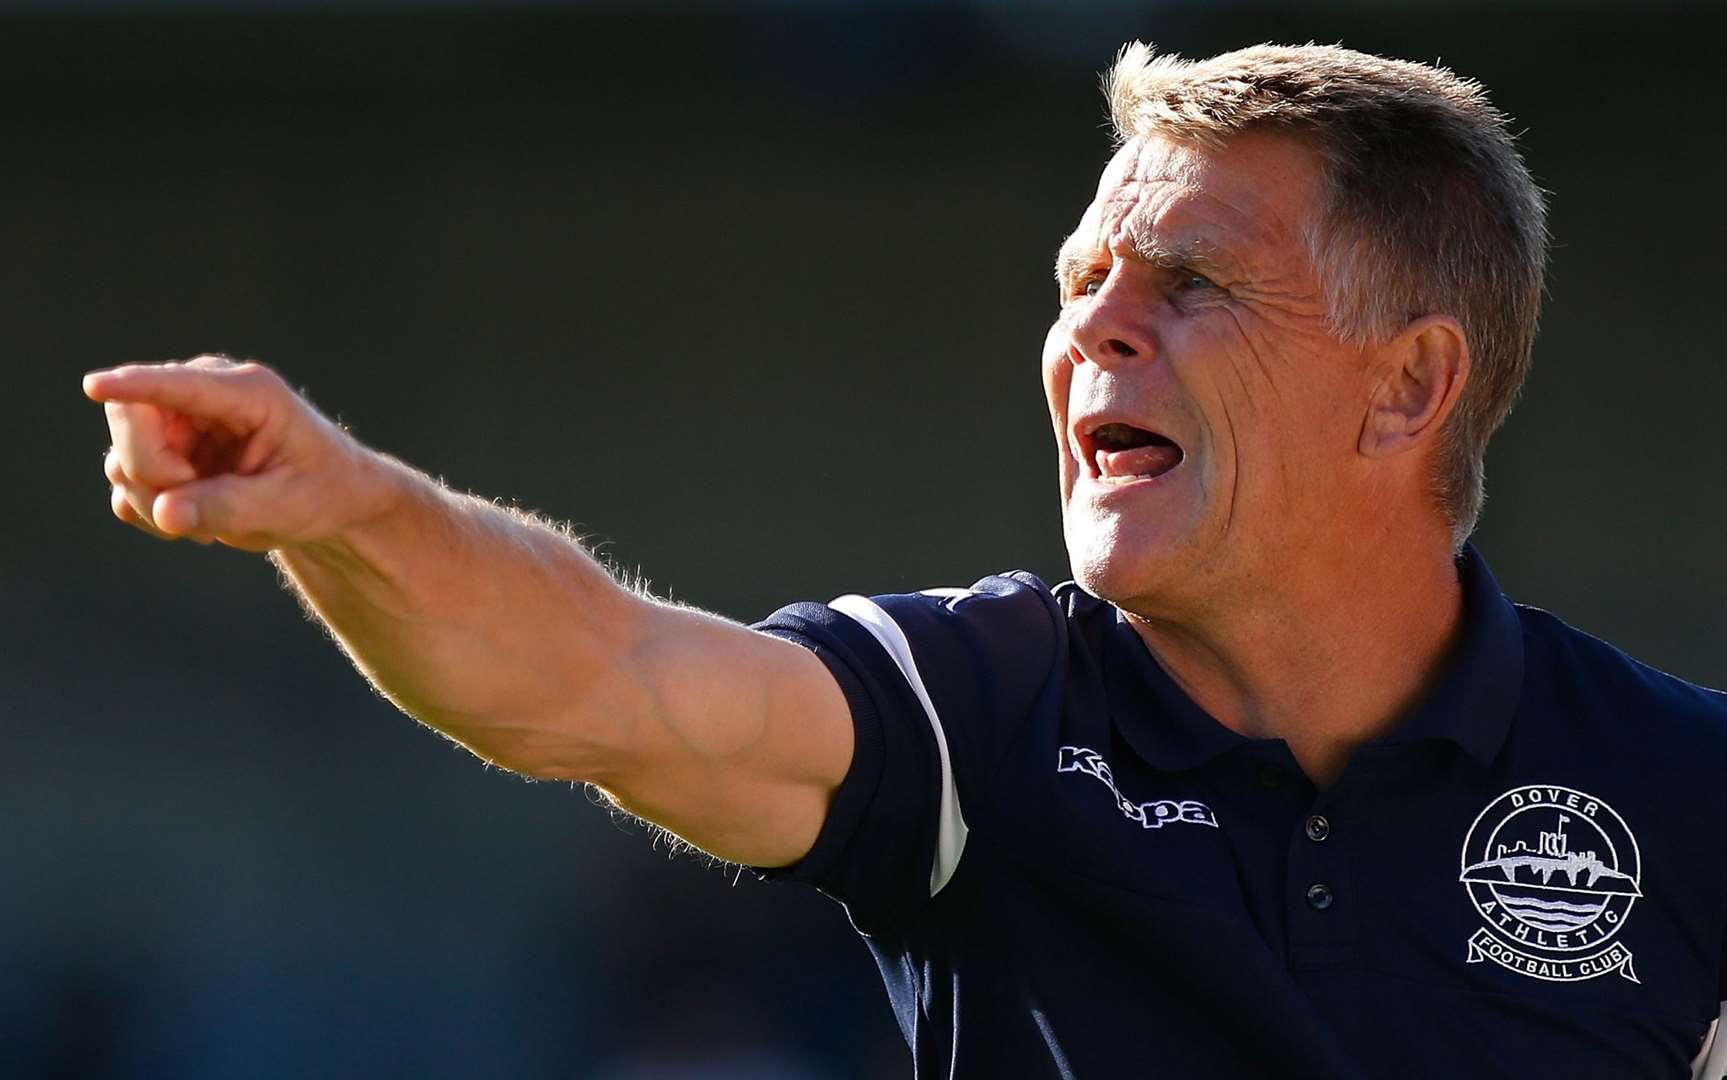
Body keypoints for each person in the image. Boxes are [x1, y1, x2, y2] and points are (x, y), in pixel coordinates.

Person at [84, 40, 1727, 1079]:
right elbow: (603, 680)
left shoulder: (1692, 791)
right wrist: (353, 509)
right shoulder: (988, 706)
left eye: (1190, 284)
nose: (1088, 330)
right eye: (1080, 278)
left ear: (1411, 386)